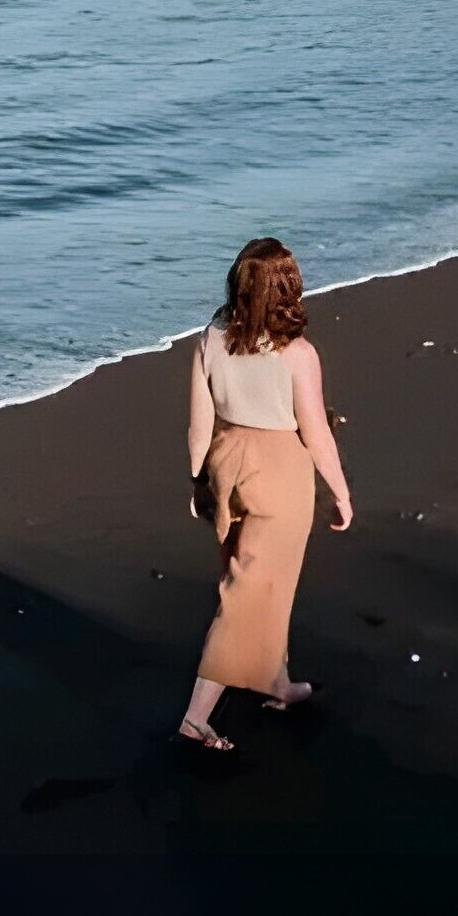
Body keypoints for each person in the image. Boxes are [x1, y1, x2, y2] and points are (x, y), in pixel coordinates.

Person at [177, 236, 353, 752]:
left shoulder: (211, 338)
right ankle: (195, 719)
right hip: (279, 472)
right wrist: (340, 492)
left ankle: (276, 684)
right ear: (288, 289)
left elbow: (199, 422)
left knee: (253, 581)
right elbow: (316, 432)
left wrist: (198, 481)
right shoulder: (297, 354)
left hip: (227, 463)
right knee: (247, 597)